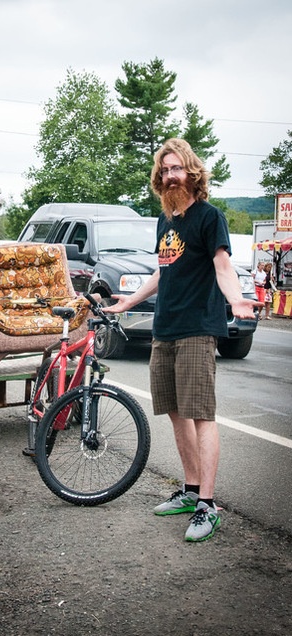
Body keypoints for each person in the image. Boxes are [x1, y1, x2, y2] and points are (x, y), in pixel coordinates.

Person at [104, 138, 262, 542]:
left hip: (197, 328)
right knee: (175, 413)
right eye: (165, 170)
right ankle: (191, 493)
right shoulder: (165, 221)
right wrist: (129, 302)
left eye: (177, 168)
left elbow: (222, 265)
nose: (170, 175)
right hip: (165, 328)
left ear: (192, 173)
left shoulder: (209, 217)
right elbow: (162, 272)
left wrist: (235, 301)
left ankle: (207, 504)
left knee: (201, 414)